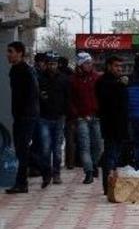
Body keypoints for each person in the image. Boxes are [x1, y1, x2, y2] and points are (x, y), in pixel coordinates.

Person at [5, 41, 43, 193]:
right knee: (22, 149)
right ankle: (29, 177)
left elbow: (33, 93)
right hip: (21, 116)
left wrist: (26, 112)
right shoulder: (15, 70)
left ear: (19, 53)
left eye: (10, 51)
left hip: (26, 116)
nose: (8, 54)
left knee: (22, 149)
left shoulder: (25, 71)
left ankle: (23, 182)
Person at [96, 55, 129, 191]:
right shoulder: (104, 82)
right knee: (110, 155)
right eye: (116, 66)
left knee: (115, 156)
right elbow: (106, 101)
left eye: (121, 66)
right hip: (110, 124)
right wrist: (119, 85)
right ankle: (108, 185)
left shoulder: (118, 82)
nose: (119, 69)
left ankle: (113, 183)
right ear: (109, 66)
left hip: (120, 125)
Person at [69, 52, 102, 184]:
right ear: (80, 64)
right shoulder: (73, 80)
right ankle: (88, 171)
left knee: (98, 146)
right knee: (84, 145)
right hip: (81, 117)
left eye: (90, 62)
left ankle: (94, 164)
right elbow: (70, 100)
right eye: (86, 63)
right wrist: (76, 114)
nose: (89, 65)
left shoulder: (96, 78)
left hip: (96, 116)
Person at [37, 54, 70, 185]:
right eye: (50, 64)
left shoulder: (63, 79)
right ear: (46, 64)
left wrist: (65, 113)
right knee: (45, 148)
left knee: (57, 149)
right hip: (44, 118)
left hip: (59, 118)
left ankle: (56, 173)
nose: (52, 66)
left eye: (54, 64)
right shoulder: (40, 79)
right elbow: (36, 97)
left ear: (57, 64)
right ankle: (46, 174)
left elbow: (68, 98)